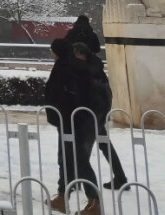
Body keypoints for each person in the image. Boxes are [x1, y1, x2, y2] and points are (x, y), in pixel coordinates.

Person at [45, 38, 100, 215]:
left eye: (52, 50)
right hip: (69, 121)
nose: (50, 53)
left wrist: (63, 111)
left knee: (79, 160)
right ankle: (63, 195)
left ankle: (94, 202)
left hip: (73, 122)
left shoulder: (67, 68)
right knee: (66, 159)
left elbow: (69, 95)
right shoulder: (68, 65)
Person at [72, 41, 127, 190]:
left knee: (83, 150)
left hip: (91, 116)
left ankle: (79, 180)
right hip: (98, 114)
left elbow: (89, 94)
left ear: (82, 55)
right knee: (104, 145)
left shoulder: (88, 71)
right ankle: (120, 177)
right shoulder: (95, 67)